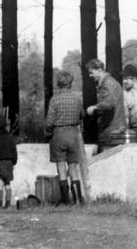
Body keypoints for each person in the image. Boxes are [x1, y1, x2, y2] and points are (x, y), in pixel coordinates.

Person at [45, 70, 85, 205]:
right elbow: (82, 115)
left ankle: (66, 200)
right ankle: (78, 199)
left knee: (61, 166)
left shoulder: (54, 99)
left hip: (59, 134)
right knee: (73, 167)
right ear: (71, 83)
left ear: (58, 84)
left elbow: (49, 122)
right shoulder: (76, 99)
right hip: (73, 134)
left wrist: (48, 132)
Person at [84, 58, 127, 152]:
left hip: (112, 130)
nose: (90, 75)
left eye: (91, 72)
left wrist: (95, 107)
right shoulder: (110, 82)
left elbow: (110, 102)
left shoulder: (107, 83)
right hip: (115, 129)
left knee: (108, 162)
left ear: (100, 70)